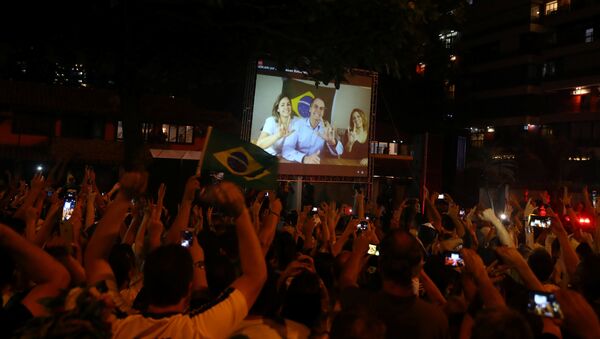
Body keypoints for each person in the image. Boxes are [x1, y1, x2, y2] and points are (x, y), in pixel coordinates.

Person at [84, 172, 267, 339]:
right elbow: (255, 275)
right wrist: (240, 211)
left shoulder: (116, 325)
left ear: (145, 281)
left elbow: (95, 259)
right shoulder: (199, 330)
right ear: (188, 289)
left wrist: (123, 197)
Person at [339, 229, 449, 339]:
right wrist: (419, 270)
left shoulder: (362, 307)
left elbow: (346, 280)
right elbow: (441, 303)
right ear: (416, 267)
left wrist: (357, 252)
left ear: (380, 265)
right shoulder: (434, 319)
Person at [282, 98, 343, 164]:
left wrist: (332, 142)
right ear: (310, 109)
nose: (318, 110)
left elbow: (340, 152)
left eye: (321, 108)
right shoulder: (298, 125)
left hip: (317, 165)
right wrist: (304, 158)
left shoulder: (326, 128)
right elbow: (286, 149)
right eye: (315, 106)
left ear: (323, 112)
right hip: (299, 164)